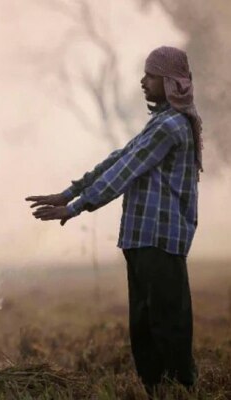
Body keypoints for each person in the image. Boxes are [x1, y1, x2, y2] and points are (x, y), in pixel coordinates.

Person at [27, 46, 201, 392]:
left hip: (159, 238)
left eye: (150, 75)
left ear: (169, 81)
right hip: (141, 239)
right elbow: (121, 156)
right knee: (144, 324)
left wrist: (77, 206)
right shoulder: (159, 123)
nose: (142, 82)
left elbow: (124, 171)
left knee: (167, 323)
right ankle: (158, 389)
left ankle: (181, 389)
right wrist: (70, 191)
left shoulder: (170, 126)